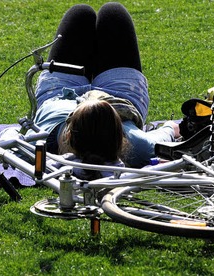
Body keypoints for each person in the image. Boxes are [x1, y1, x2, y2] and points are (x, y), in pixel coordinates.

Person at [32, 2, 180, 172]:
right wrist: (171, 126)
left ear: (68, 134)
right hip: (117, 95)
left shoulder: (38, 142)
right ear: (122, 140)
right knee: (112, 13)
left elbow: (10, 138)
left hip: (60, 92)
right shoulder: (139, 146)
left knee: (81, 14)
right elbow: (169, 131)